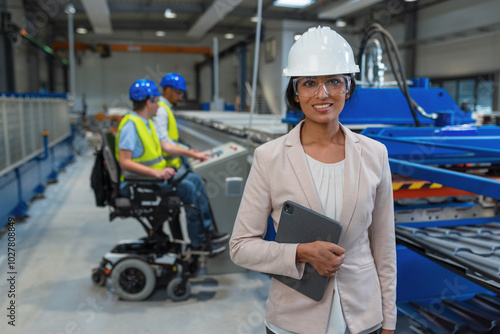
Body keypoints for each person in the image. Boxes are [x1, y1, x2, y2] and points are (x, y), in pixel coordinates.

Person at [229, 26, 396, 334]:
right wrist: (301, 253)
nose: (323, 94)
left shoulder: (375, 154)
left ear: (348, 87)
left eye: (334, 81)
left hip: (362, 319)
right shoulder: (271, 157)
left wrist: (388, 319)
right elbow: (241, 247)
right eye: (309, 83)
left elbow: (383, 247)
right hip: (293, 319)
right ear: (295, 91)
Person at [116, 79, 229, 252]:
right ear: (148, 102)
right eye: (156, 101)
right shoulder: (131, 125)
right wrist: (156, 173)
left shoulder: (147, 123)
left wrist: (194, 154)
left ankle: (208, 232)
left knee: (195, 180)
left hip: (155, 177)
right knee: (189, 188)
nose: (159, 106)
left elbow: (166, 146)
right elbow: (124, 162)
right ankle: (198, 243)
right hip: (142, 182)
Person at [153, 72, 187, 170]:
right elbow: (163, 140)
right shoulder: (161, 110)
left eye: (182, 94)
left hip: (172, 163)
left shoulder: (166, 108)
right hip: (167, 166)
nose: (180, 98)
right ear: (168, 90)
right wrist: (188, 152)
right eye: (178, 93)